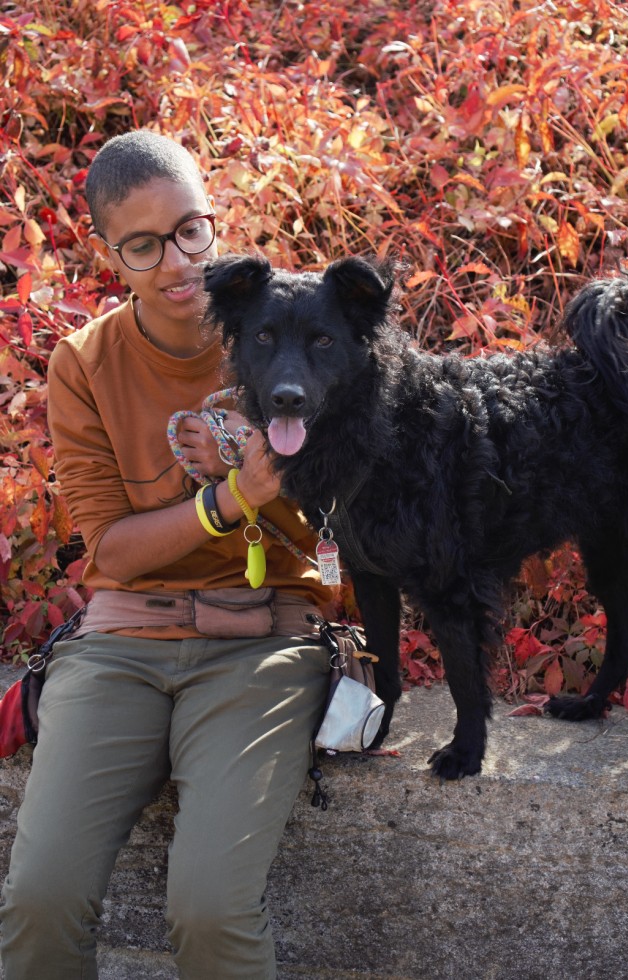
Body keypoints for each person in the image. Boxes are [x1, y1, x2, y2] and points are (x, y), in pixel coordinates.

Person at [0, 130, 333, 979]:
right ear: (108, 253)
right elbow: (112, 548)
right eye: (143, 246)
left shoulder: (295, 332)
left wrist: (268, 484)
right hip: (120, 646)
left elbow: (339, 532)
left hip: (261, 644)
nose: (179, 263)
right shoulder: (84, 363)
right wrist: (229, 499)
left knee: (211, 909)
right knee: (38, 897)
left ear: (212, 215)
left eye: (190, 230)